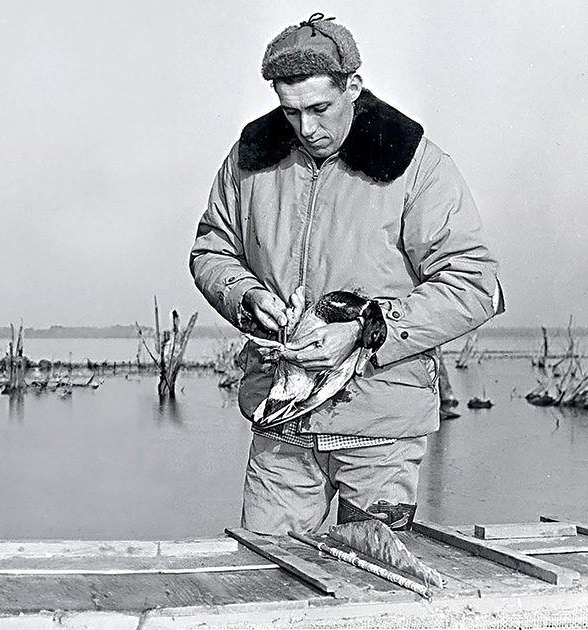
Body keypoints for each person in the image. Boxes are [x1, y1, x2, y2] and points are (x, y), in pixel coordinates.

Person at [190, 14, 503, 536]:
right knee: (271, 595)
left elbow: (475, 286)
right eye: (290, 112)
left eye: (319, 108)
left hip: (380, 431)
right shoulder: (248, 159)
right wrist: (245, 297)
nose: (305, 128)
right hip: (281, 421)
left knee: (373, 597)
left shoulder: (418, 166)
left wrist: (363, 332)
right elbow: (211, 249)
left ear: (353, 87)